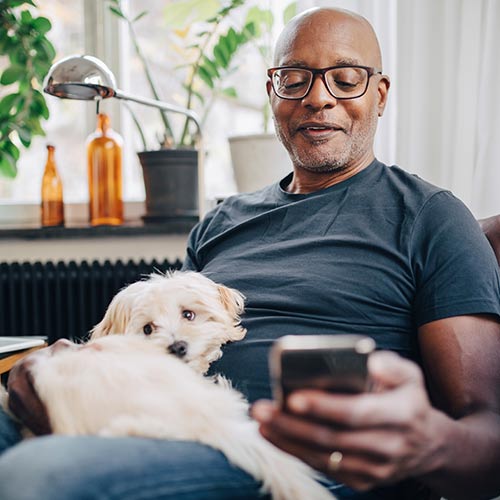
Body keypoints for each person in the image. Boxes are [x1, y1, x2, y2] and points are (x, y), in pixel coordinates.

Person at [1, 6, 499, 500]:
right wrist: (80, 366)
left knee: (40, 475)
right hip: (172, 423)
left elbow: (488, 432)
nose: (319, 98)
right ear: (272, 93)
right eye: (294, 78)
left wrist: (428, 445)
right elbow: (168, 344)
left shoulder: (431, 216)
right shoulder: (220, 223)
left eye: (346, 79)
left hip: (297, 461)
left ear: (380, 95)